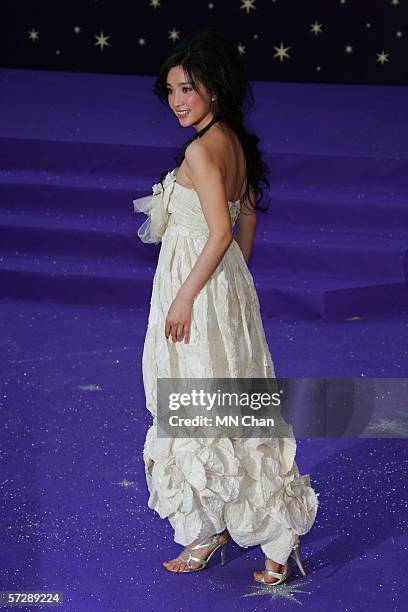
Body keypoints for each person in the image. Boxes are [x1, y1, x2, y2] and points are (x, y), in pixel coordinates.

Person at [133, 28, 319, 585]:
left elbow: (218, 232)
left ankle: (212, 530)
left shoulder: (200, 148)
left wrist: (189, 296)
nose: (177, 101)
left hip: (196, 285)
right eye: (170, 91)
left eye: (187, 88)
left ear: (212, 88)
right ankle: (264, 542)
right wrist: (232, 286)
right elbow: (247, 221)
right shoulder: (234, 140)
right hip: (222, 284)